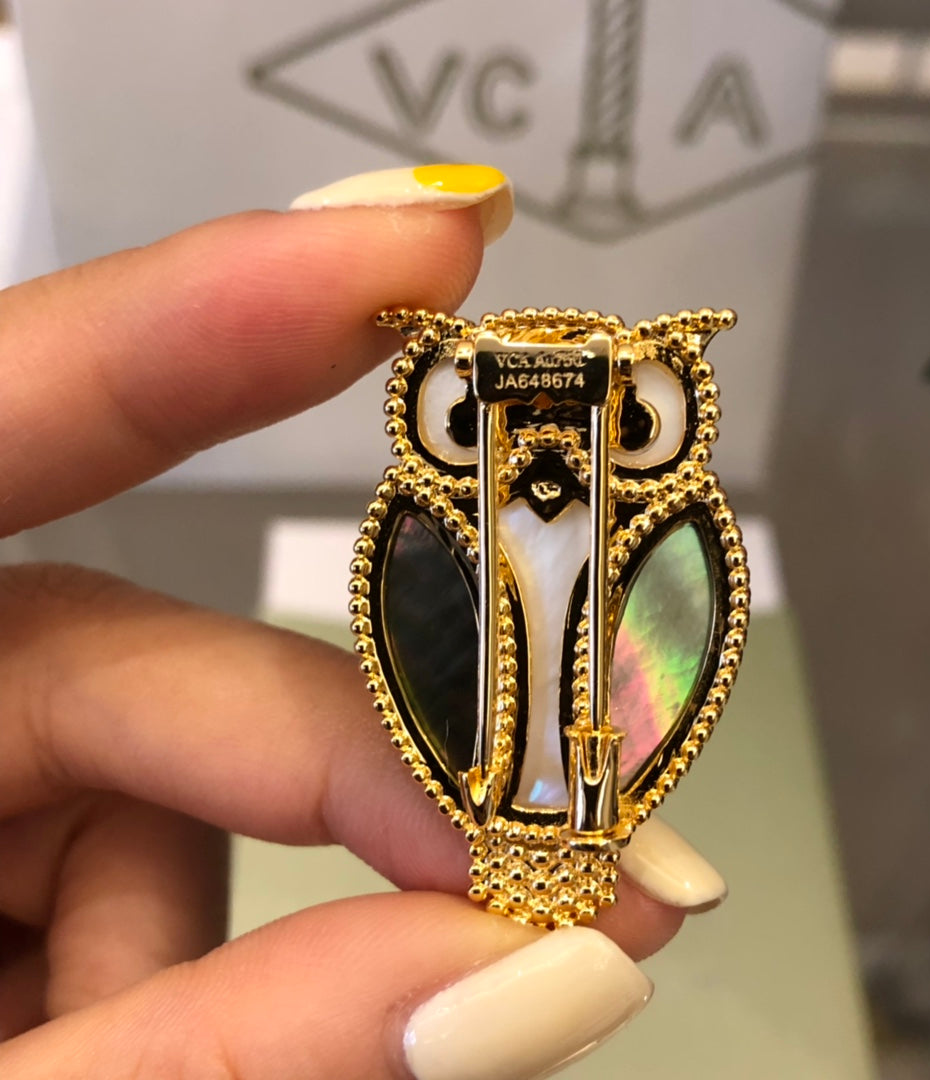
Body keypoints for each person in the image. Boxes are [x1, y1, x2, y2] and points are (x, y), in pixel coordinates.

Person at [0, 167, 724, 1079]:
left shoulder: (671, 542)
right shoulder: (427, 532)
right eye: (504, 419)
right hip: (497, 777)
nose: (550, 450)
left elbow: (661, 667)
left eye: (596, 422)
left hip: (579, 772)